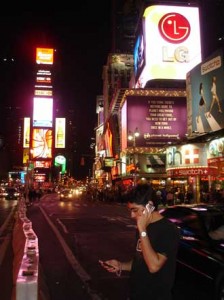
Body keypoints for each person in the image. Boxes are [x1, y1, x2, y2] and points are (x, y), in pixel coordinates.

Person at [99, 183, 180, 300]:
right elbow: (140, 262)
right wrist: (121, 265)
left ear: (149, 206)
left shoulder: (167, 229)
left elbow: (154, 266)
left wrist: (142, 230)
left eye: (135, 210)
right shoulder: (143, 226)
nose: (132, 215)